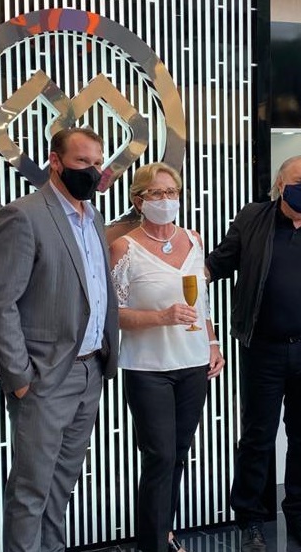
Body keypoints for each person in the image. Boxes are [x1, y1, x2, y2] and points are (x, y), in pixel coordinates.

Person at [0, 127, 119, 551]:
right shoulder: (23, 216)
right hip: (45, 377)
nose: (92, 171)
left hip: (90, 370)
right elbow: (2, 303)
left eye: (97, 163)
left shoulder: (93, 216)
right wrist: (20, 377)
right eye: (82, 162)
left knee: (61, 486)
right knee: (31, 491)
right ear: (56, 161)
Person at [206, 155, 301, 552]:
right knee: (257, 436)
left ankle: (300, 513)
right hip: (262, 349)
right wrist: (178, 269)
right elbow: (219, 262)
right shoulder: (253, 219)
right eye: (300, 181)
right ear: (281, 184)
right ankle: (250, 519)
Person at [109, 162, 225, 552]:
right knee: (158, 455)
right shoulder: (124, 248)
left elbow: (202, 302)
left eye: (171, 192)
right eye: (157, 193)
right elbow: (112, 315)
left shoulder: (194, 239)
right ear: (138, 200)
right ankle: (153, 543)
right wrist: (161, 317)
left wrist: (212, 343)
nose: (166, 199)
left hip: (192, 364)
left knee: (178, 453)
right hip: (148, 369)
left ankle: (164, 533)